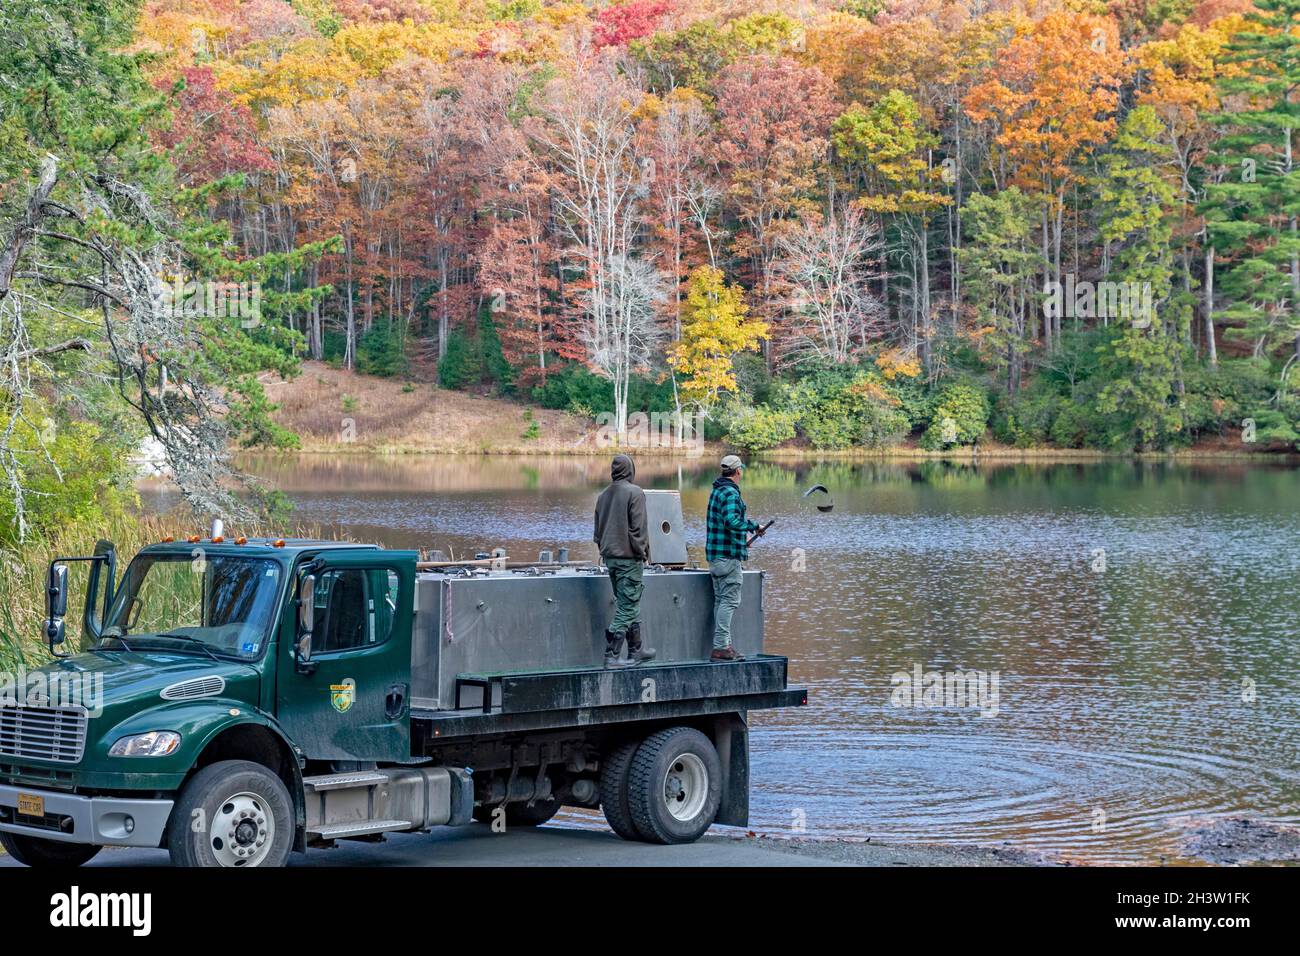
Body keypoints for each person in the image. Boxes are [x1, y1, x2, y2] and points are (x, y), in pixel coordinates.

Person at [593, 454, 657, 667]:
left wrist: (606, 550)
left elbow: (597, 533)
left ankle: (636, 650)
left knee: (628, 602)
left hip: (610, 558)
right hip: (629, 559)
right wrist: (643, 553)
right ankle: (611, 655)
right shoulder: (635, 492)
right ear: (631, 470)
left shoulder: (602, 495)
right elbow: (639, 530)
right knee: (627, 607)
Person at [705, 454, 761, 662]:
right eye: (741, 470)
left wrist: (741, 540)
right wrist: (753, 526)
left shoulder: (717, 491)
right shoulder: (730, 493)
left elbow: (723, 524)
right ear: (738, 471)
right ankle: (720, 647)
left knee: (721, 601)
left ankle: (724, 646)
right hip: (727, 559)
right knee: (729, 601)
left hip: (716, 556)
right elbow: (731, 520)